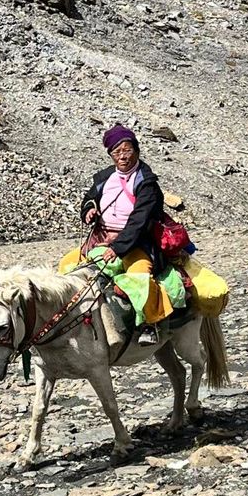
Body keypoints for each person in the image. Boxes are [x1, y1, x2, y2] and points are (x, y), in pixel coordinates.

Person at [79, 125, 179, 344]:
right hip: (101, 239)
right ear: (110, 154)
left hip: (137, 244)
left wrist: (118, 248)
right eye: (117, 152)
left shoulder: (147, 183)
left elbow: (140, 221)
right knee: (69, 270)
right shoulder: (104, 178)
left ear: (137, 151)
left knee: (139, 277)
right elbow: (89, 199)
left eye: (127, 150)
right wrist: (89, 210)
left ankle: (149, 324)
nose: (122, 156)